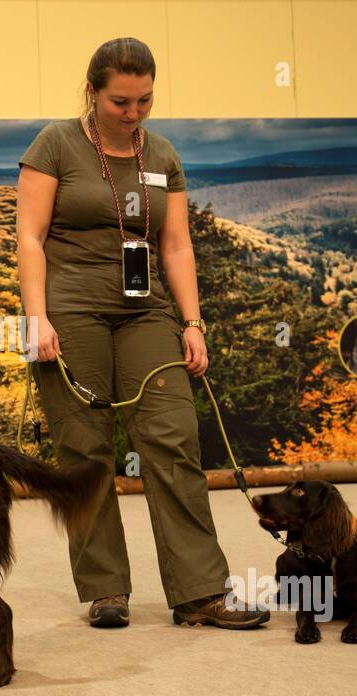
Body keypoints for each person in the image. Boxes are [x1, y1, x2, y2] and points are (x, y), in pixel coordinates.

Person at [15, 37, 269, 631]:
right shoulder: (54, 144)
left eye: (144, 101)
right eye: (120, 102)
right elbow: (29, 237)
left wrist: (193, 321)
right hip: (70, 311)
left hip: (146, 311)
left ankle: (201, 591)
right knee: (85, 450)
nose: (133, 115)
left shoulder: (163, 153)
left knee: (173, 438)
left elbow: (176, 245)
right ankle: (106, 589)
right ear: (92, 92)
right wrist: (36, 317)